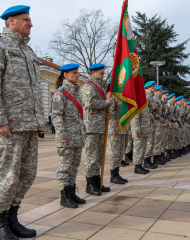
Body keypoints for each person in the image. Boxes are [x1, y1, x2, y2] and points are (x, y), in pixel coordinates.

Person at [0, 6, 46, 239]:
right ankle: (0, 223)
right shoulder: (1, 46)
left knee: (27, 175)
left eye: (30, 19)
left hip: (29, 124)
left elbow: (34, 90)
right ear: (11, 21)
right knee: (7, 175)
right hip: (10, 125)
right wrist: (1, 121)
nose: (31, 23)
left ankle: (12, 217)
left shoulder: (28, 50)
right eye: (26, 20)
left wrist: (40, 120)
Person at [51, 64, 86, 209]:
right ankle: (64, 196)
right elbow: (56, 115)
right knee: (65, 168)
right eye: (74, 73)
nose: (78, 75)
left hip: (77, 136)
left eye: (78, 73)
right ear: (65, 75)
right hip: (66, 137)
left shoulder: (77, 92)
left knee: (73, 167)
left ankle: (71, 192)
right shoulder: (61, 93)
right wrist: (62, 135)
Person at [80, 63, 112, 196]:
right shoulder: (88, 86)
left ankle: (97, 182)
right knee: (91, 157)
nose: (103, 75)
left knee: (98, 157)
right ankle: (90, 185)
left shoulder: (99, 87)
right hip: (92, 127)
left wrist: (106, 113)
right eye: (101, 73)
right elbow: (89, 103)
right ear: (93, 73)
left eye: (104, 73)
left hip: (100, 126)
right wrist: (107, 103)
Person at [108, 93, 129, 184]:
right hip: (116, 130)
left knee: (120, 152)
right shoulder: (112, 97)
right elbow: (110, 112)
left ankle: (117, 174)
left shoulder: (123, 98)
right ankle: (113, 175)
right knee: (115, 153)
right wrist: (113, 128)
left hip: (123, 129)